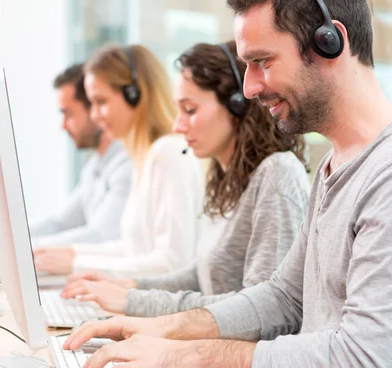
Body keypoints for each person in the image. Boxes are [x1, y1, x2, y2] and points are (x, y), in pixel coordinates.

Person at [61, 0, 392, 367]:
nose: (249, 87)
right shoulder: (336, 163)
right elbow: (284, 297)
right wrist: (156, 327)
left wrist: (182, 355)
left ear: (330, 43)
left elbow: (360, 358)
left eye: (263, 61)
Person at [58, 41, 311, 317]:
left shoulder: (276, 175)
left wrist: (133, 302)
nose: (178, 126)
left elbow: (262, 311)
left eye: (190, 110)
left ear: (238, 105)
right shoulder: (228, 180)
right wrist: (131, 287)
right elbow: (202, 276)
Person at [33, 45, 204, 278]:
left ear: (135, 94)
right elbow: (134, 249)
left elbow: (173, 262)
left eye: (101, 102)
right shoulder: (144, 156)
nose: (95, 115)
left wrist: (77, 264)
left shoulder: (169, 153)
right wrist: (72, 254)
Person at [29, 64, 133, 248]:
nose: (63, 126)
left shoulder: (127, 165)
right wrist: (0, 240)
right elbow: (59, 223)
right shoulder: (94, 167)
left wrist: (28, 249)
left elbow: (99, 236)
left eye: (68, 114)